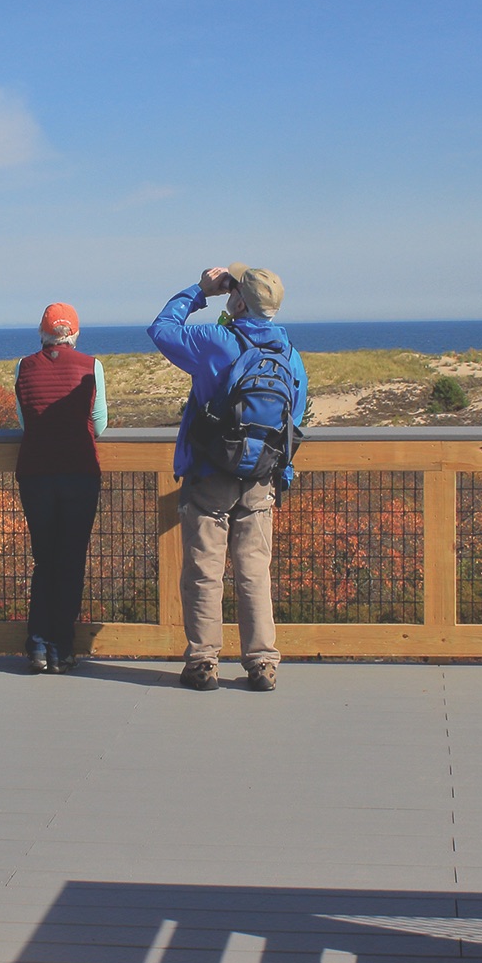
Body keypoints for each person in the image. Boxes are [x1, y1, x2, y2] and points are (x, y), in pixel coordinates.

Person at [148, 263, 307, 691]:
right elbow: (293, 422)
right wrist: (280, 476)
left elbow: (162, 329)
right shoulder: (290, 357)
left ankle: (203, 662)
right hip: (260, 479)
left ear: (238, 300)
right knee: (254, 571)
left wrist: (199, 291)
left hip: (208, 472)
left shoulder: (217, 340)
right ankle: (262, 663)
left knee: (204, 568)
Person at [13, 302, 108, 673]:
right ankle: (62, 649)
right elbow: (98, 424)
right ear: (76, 333)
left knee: (44, 560)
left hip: (35, 472)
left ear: (42, 332)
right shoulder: (92, 366)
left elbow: (25, 420)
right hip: (80, 471)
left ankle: (37, 645)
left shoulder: (24, 367)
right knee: (71, 561)